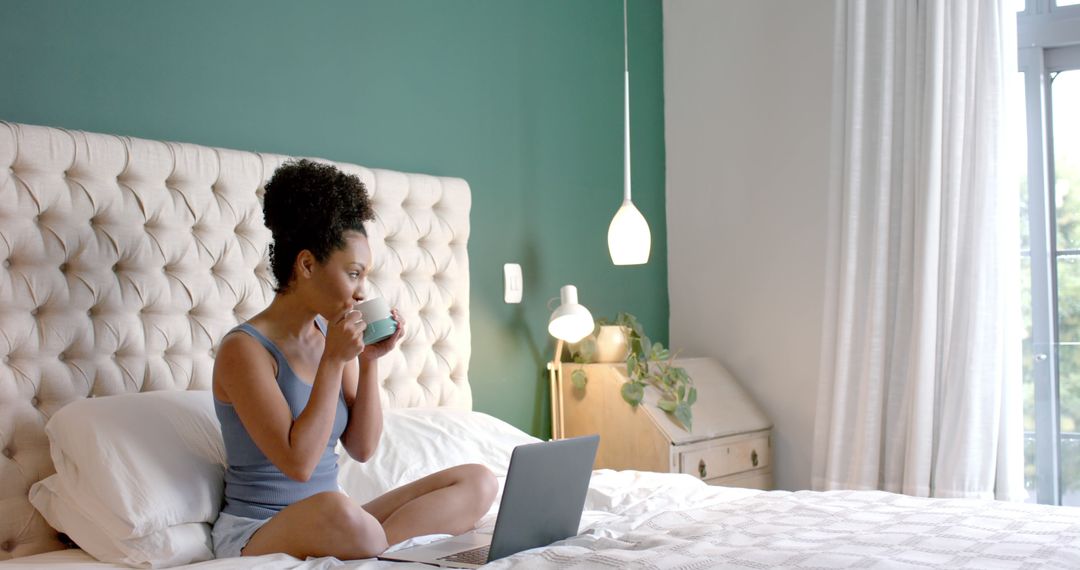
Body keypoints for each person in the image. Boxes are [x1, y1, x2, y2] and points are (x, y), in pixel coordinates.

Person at [209, 159, 497, 560]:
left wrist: (369, 361)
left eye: (365, 276)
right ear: (307, 265)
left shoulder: (331, 338)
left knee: (478, 480)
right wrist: (332, 362)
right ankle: (376, 543)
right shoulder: (244, 349)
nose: (363, 291)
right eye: (354, 274)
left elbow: (362, 448)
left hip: (335, 517)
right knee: (338, 509)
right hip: (259, 529)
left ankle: (375, 545)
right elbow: (299, 465)